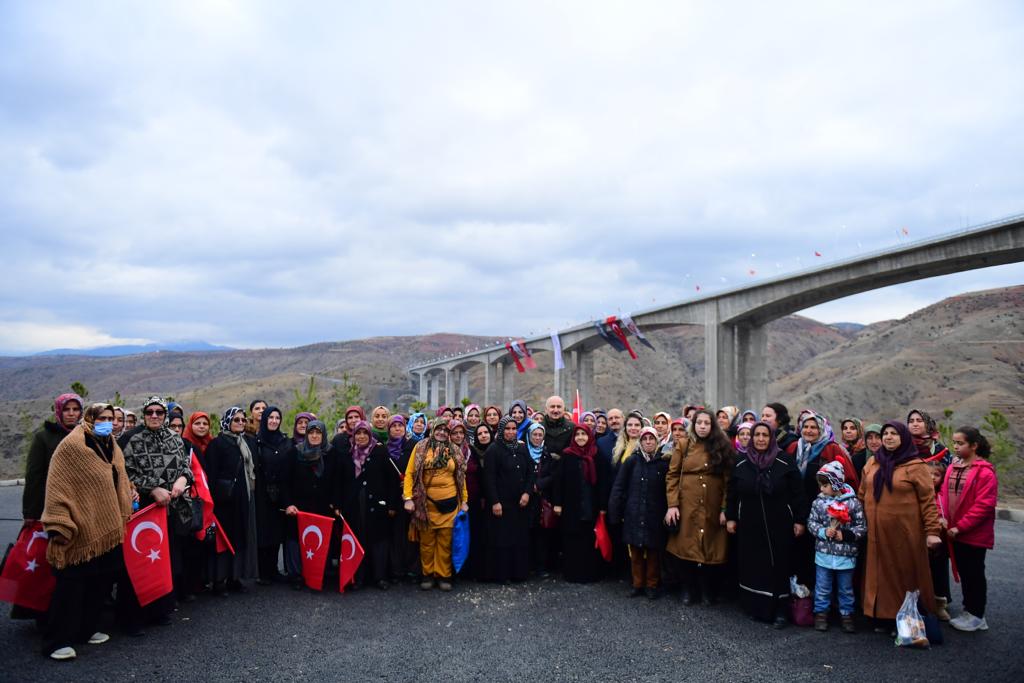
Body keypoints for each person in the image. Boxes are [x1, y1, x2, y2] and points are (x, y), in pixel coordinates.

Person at [41, 403, 134, 660]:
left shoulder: (112, 445)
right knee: (72, 585)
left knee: (100, 581)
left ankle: (87, 629)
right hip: (81, 526)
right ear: (90, 418)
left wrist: (128, 495)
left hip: (107, 526)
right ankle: (57, 641)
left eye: (111, 418)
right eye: (102, 418)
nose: (107, 422)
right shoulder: (72, 446)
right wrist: (58, 523)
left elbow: (119, 477)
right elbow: (57, 484)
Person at [858, 421, 942, 629]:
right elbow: (861, 495)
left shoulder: (915, 466)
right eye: (885, 433)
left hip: (904, 533)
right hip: (875, 533)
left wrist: (932, 532)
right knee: (878, 574)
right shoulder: (873, 463)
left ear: (903, 438)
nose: (888, 437)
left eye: (893, 433)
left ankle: (907, 620)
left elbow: (928, 501)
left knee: (903, 575)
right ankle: (879, 616)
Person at [726, 422, 806, 627]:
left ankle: (780, 610)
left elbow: (798, 493)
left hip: (779, 523)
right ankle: (756, 607)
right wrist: (731, 517)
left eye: (765, 435)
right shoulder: (742, 462)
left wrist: (799, 519)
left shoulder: (784, 461)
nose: (761, 439)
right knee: (753, 564)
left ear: (771, 438)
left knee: (779, 564)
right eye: (757, 435)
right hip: (750, 524)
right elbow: (732, 493)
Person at [122, 396, 195, 618]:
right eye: (150, 412)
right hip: (145, 510)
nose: (154, 416)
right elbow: (125, 474)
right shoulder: (131, 440)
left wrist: (183, 479)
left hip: (172, 510)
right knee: (143, 560)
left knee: (166, 560)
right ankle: (134, 616)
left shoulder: (175, 438)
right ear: (144, 415)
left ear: (165, 415)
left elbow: (186, 467)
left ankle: (161, 610)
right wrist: (152, 488)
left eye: (159, 412)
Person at [664, 409, 733, 605]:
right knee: (686, 547)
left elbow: (728, 481)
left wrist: (724, 509)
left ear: (713, 426)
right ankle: (688, 588)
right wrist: (672, 505)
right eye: (699, 423)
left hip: (712, 505)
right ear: (693, 425)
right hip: (688, 505)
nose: (702, 426)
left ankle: (707, 590)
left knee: (711, 547)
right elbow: (672, 475)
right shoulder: (684, 445)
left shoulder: (722, 446)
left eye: (707, 423)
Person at [786, 412, 859, 589]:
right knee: (797, 552)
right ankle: (799, 593)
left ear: (821, 429)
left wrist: (838, 508)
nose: (809, 430)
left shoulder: (831, 449)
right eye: (806, 427)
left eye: (814, 427)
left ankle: (821, 597)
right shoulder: (793, 448)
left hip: (824, 515)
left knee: (820, 556)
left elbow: (848, 481)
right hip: (796, 510)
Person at [943, 426, 998, 632]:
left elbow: (984, 505)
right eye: (954, 443)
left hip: (972, 534)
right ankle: (969, 611)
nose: (955, 447)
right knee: (965, 572)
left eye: (960, 443)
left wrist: (961, 526)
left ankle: (977, 615)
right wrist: (943, 519)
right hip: (954, 532)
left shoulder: (985, 472)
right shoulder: (953, 468)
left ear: (974, 445)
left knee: (974, 573)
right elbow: (944, 495)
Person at [403, 420, 468, 591]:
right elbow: (410, 473)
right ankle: (428, 574)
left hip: (450, 503)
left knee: (445, 542)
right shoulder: (421, 447)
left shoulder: (454, 450)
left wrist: (464, 501)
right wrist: (408, 498)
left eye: (445, 430)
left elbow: (461, 478)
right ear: (432, 430)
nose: (442, 433)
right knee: (427, 543)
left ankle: (443, 575)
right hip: (426, 505)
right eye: (439, 429)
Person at [608, 426, 670, 599]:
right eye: (645, 439)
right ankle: (637, 584)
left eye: (651, 439)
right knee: (635, 551)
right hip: (633, 512)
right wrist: (615, 511)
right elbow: (619, 486)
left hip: (655, 513)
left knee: (653, 552)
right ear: (640, 442)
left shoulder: (663, 463)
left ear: (657, 441)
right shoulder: (632, 461)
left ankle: (651, 585)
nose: (648, 442)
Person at [337, 420, 398, 590]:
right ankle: (359, 577)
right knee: (358, 539)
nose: (361, 436)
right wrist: (338, 504)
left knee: (379, 541)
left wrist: (392, 505)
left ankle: (380, 577)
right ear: (353, 435)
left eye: (365, 433)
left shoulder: (380, 451)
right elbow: (340, 481)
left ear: (370, 435)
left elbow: (391, 479)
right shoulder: (348, 453)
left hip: (377, 504)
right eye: (358, 433)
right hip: (354, 505)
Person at [204, 407, 258, 594]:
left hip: (242, 500)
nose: (241, 423)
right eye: (236, 420)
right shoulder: (217, 444)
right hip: (224, 502)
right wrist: (214, 501)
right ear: (227, 421)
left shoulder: (244, 442)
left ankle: (235, 577)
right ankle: (219, 581)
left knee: (239, 538)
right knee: (222, 541)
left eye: (243, 420)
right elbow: (211, 474)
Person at [807, 461, 866, 633]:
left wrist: (845, 535)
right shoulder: (819, 503)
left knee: (845, 588)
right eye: (820, 485)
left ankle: (846, 614)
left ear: (836, 484)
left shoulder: (853, 503)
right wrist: (823, 531)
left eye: (825, 485)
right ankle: (821, 613)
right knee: (822, 586)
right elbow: (812, 523)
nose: (822, 489)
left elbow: (861, 527)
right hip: (824, 554)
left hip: (845, 555)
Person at [282, 420, 341, 590]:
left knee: (321, 539)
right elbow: (285, 482)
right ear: (306, 434)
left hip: (323, 507)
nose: (314, 436)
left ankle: (318, 573)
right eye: (311, 433)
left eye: (318, 433)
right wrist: (288, 504)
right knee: (295, 539)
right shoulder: (295, 452)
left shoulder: (332, 453)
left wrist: (336, 503)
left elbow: (338, 481)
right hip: (299, 507)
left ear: (324, 435)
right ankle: (296, 575)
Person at [483, 416, 535, 583]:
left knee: (519, 539)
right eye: (507, 429)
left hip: (521, 503)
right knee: (503, 539)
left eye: (514, 429)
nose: (511, 432)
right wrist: (495, 502)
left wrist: (527, 493)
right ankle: (502, 575)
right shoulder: (493, 450)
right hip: (502, 504)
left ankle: (518, 573)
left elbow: (531, 472)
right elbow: (489, 479)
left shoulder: (522, 448)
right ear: (501, 430)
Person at [551, 424, 605, 583]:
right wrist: (557, 503)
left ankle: (590, 574)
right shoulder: (567, 455)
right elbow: (558, 481)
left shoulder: (597, 455)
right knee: (572, 540)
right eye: (578, 434)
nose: (580, 437)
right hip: (571, 506)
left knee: (589, 540)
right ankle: (572, 574)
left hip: (591, 505)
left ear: (589, 436)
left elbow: (603, 483)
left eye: (584, 434)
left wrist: (602, 507)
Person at [24, 392, 83, 522]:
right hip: (54, 504)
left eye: (75, 409)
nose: (71, 413)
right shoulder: (44, 438)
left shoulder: (87, 436)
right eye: (66, 409)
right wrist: (31, 513)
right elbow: (34, 476)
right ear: (59, 411)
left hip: (83, 504)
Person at [253, 406, 290, 585]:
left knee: (276, 531)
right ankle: (262, 572)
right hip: (261, 492)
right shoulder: (256, 441)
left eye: (277, 418)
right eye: (271, 417)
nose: (274, 421)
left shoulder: (284, 441)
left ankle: (274, 569)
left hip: (280, 492)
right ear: (265, 419)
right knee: (263, 531)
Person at [465, 423, 492, 580]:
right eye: (480, 433)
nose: (483, 435)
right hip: (476, 499)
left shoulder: (497, 449)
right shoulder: (472, 452)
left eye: (486, 432)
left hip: (495, 499)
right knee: (476, 534)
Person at [926, 459, 951, 620]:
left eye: (937, 475)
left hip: (940, 541)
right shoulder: (918, 493)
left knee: (939, 572)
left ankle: (940, 604)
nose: (932, 477)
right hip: (922, 538)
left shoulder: (944, 495)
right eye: (929, 474)